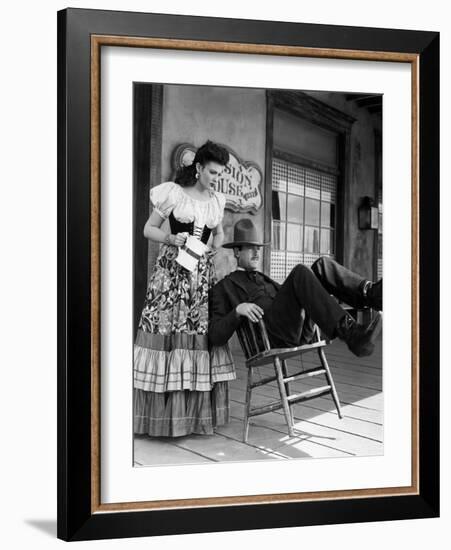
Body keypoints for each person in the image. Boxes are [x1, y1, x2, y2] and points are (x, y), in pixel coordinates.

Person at [134, 140, 235, 437]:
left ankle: (192, 417)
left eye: (219, 174)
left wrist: (215, 247)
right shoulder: (174, 194)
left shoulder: (217, 201)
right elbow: (147, 229)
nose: (216, 178)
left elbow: (219, 233)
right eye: (213, 172)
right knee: (167, 335)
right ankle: (160, 418)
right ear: (199, 167)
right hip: (170, 275)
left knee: (196, 336)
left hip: (200, 276)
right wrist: (169, 239)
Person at [209, 218, 383, 358]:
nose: (256, 253)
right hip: (273, 337)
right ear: (237, 252)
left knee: (322, 265)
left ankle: (373, 294)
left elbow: (288, 298)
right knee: (300, 271)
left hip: (296, 329)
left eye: (258, 248)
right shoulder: (224, 287)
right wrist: (238, 310)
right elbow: (216, 336)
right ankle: (352, 333)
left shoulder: (262, 278)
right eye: (250, 248)